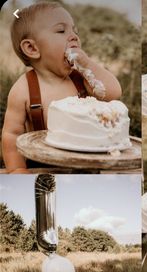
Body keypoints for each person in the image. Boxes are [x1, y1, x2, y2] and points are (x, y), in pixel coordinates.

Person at [2, 2, 122, 174]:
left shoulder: (80, 78)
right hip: (43, 167)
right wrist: (17, 169)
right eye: (61, 30)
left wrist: (87, 64)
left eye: (75, 31)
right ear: (32, 48)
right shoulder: (23, 90)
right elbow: (11, 134)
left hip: (85, 165)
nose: (74, 36)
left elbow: (114, 93)